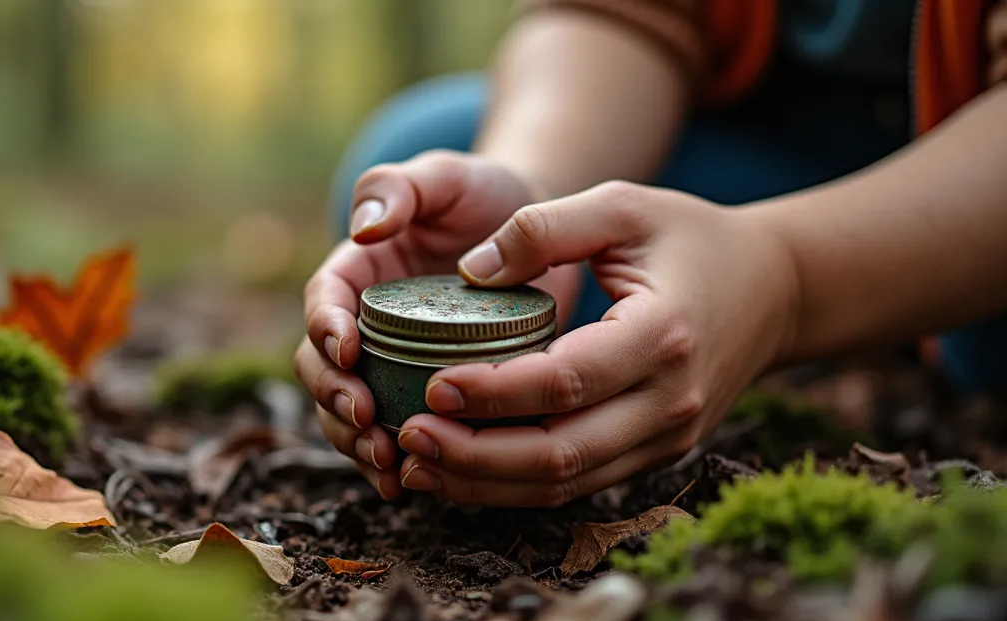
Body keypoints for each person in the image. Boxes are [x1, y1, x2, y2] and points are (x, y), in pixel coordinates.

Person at [296, 0, 1007, 507]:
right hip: (774, 138)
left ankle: (841, 316)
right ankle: (807, 316)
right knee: (414, 149)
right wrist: (537, 189)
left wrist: (785, 281)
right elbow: (614, 17)